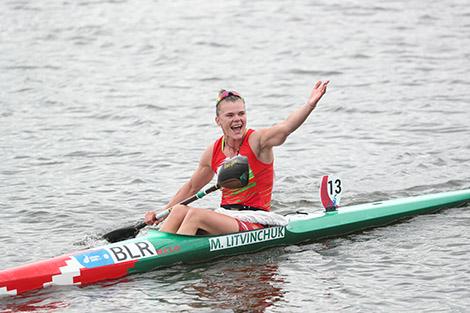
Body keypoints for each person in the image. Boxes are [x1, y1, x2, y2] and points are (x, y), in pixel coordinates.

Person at [144, 80, 329, 235]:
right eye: (230, 115)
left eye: (241, 113)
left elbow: (286, 127)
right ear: (218, 121)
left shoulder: (257, 141)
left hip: (256, 221)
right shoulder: (214, 150)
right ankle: (152, 250)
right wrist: (163, 212)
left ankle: (171, 262)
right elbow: (192, 186)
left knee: (195, 216)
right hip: (226, 216)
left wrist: (310, 104)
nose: (237, 119)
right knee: (178, 211)